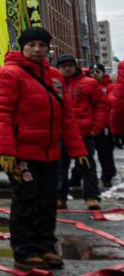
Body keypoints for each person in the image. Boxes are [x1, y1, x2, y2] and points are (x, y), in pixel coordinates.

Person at [0, 28, 88, 269]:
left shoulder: (55, 76)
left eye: (42, 45)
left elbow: (66, 116)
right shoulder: (8, 74)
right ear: (22, 47)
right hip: (22, 154)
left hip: (50, 152)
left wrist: (79, 150)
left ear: (48, 48)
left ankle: (46, 246)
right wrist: (6, 151)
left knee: (47, 200)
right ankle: (24, 251)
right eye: (32, 44)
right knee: (25, 201)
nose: (37, 49)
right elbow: (0, 114)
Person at [56, 54, 108, 210]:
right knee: (59, 167)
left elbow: (102, 106)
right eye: (63, 66)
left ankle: (92, 197)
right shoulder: (54, 84)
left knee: (87, 166)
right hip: (61, 134)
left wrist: (95, 128)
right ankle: (60, 197)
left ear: (75, 66)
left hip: (84, 133)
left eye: (69, 65)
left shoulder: (89, 84)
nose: (67, 68)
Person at [88, 63, 116, 187]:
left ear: (103, 73)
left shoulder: (110, 87)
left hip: (105, 127)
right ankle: (78, 177)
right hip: (88, 126)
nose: (94, 74)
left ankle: (107, 176)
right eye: (92, 71)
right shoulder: (85, 86)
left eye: (97, 71)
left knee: (105, 154)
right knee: (86, 154)